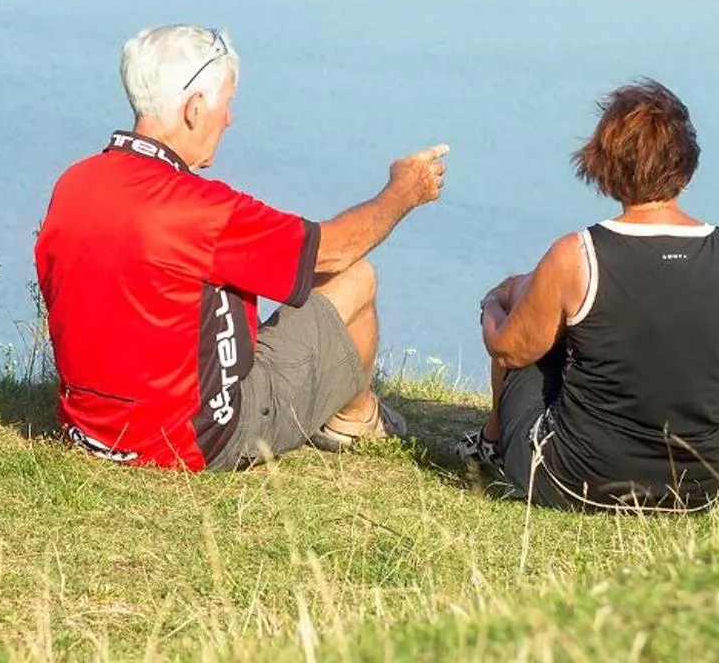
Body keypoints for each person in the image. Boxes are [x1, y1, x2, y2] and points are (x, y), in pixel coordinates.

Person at [34, 24, 447, 471]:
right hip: (195, 440)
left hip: (90, 432)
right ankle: (356, 419)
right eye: (226, 103)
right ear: (194, 109)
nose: (229, 118)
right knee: (356, 277)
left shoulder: (74, 183)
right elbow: (336, 250)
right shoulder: (199, 210)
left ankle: (357, 414)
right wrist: (403, 192)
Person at [461, 79, 719, 511]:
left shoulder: (578, 255)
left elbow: (507, 351)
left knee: (525, 334)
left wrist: (492, 304)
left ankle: (491, 444)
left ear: (604, 168)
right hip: (696, 489)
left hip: (575, 482)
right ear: (686, 167)